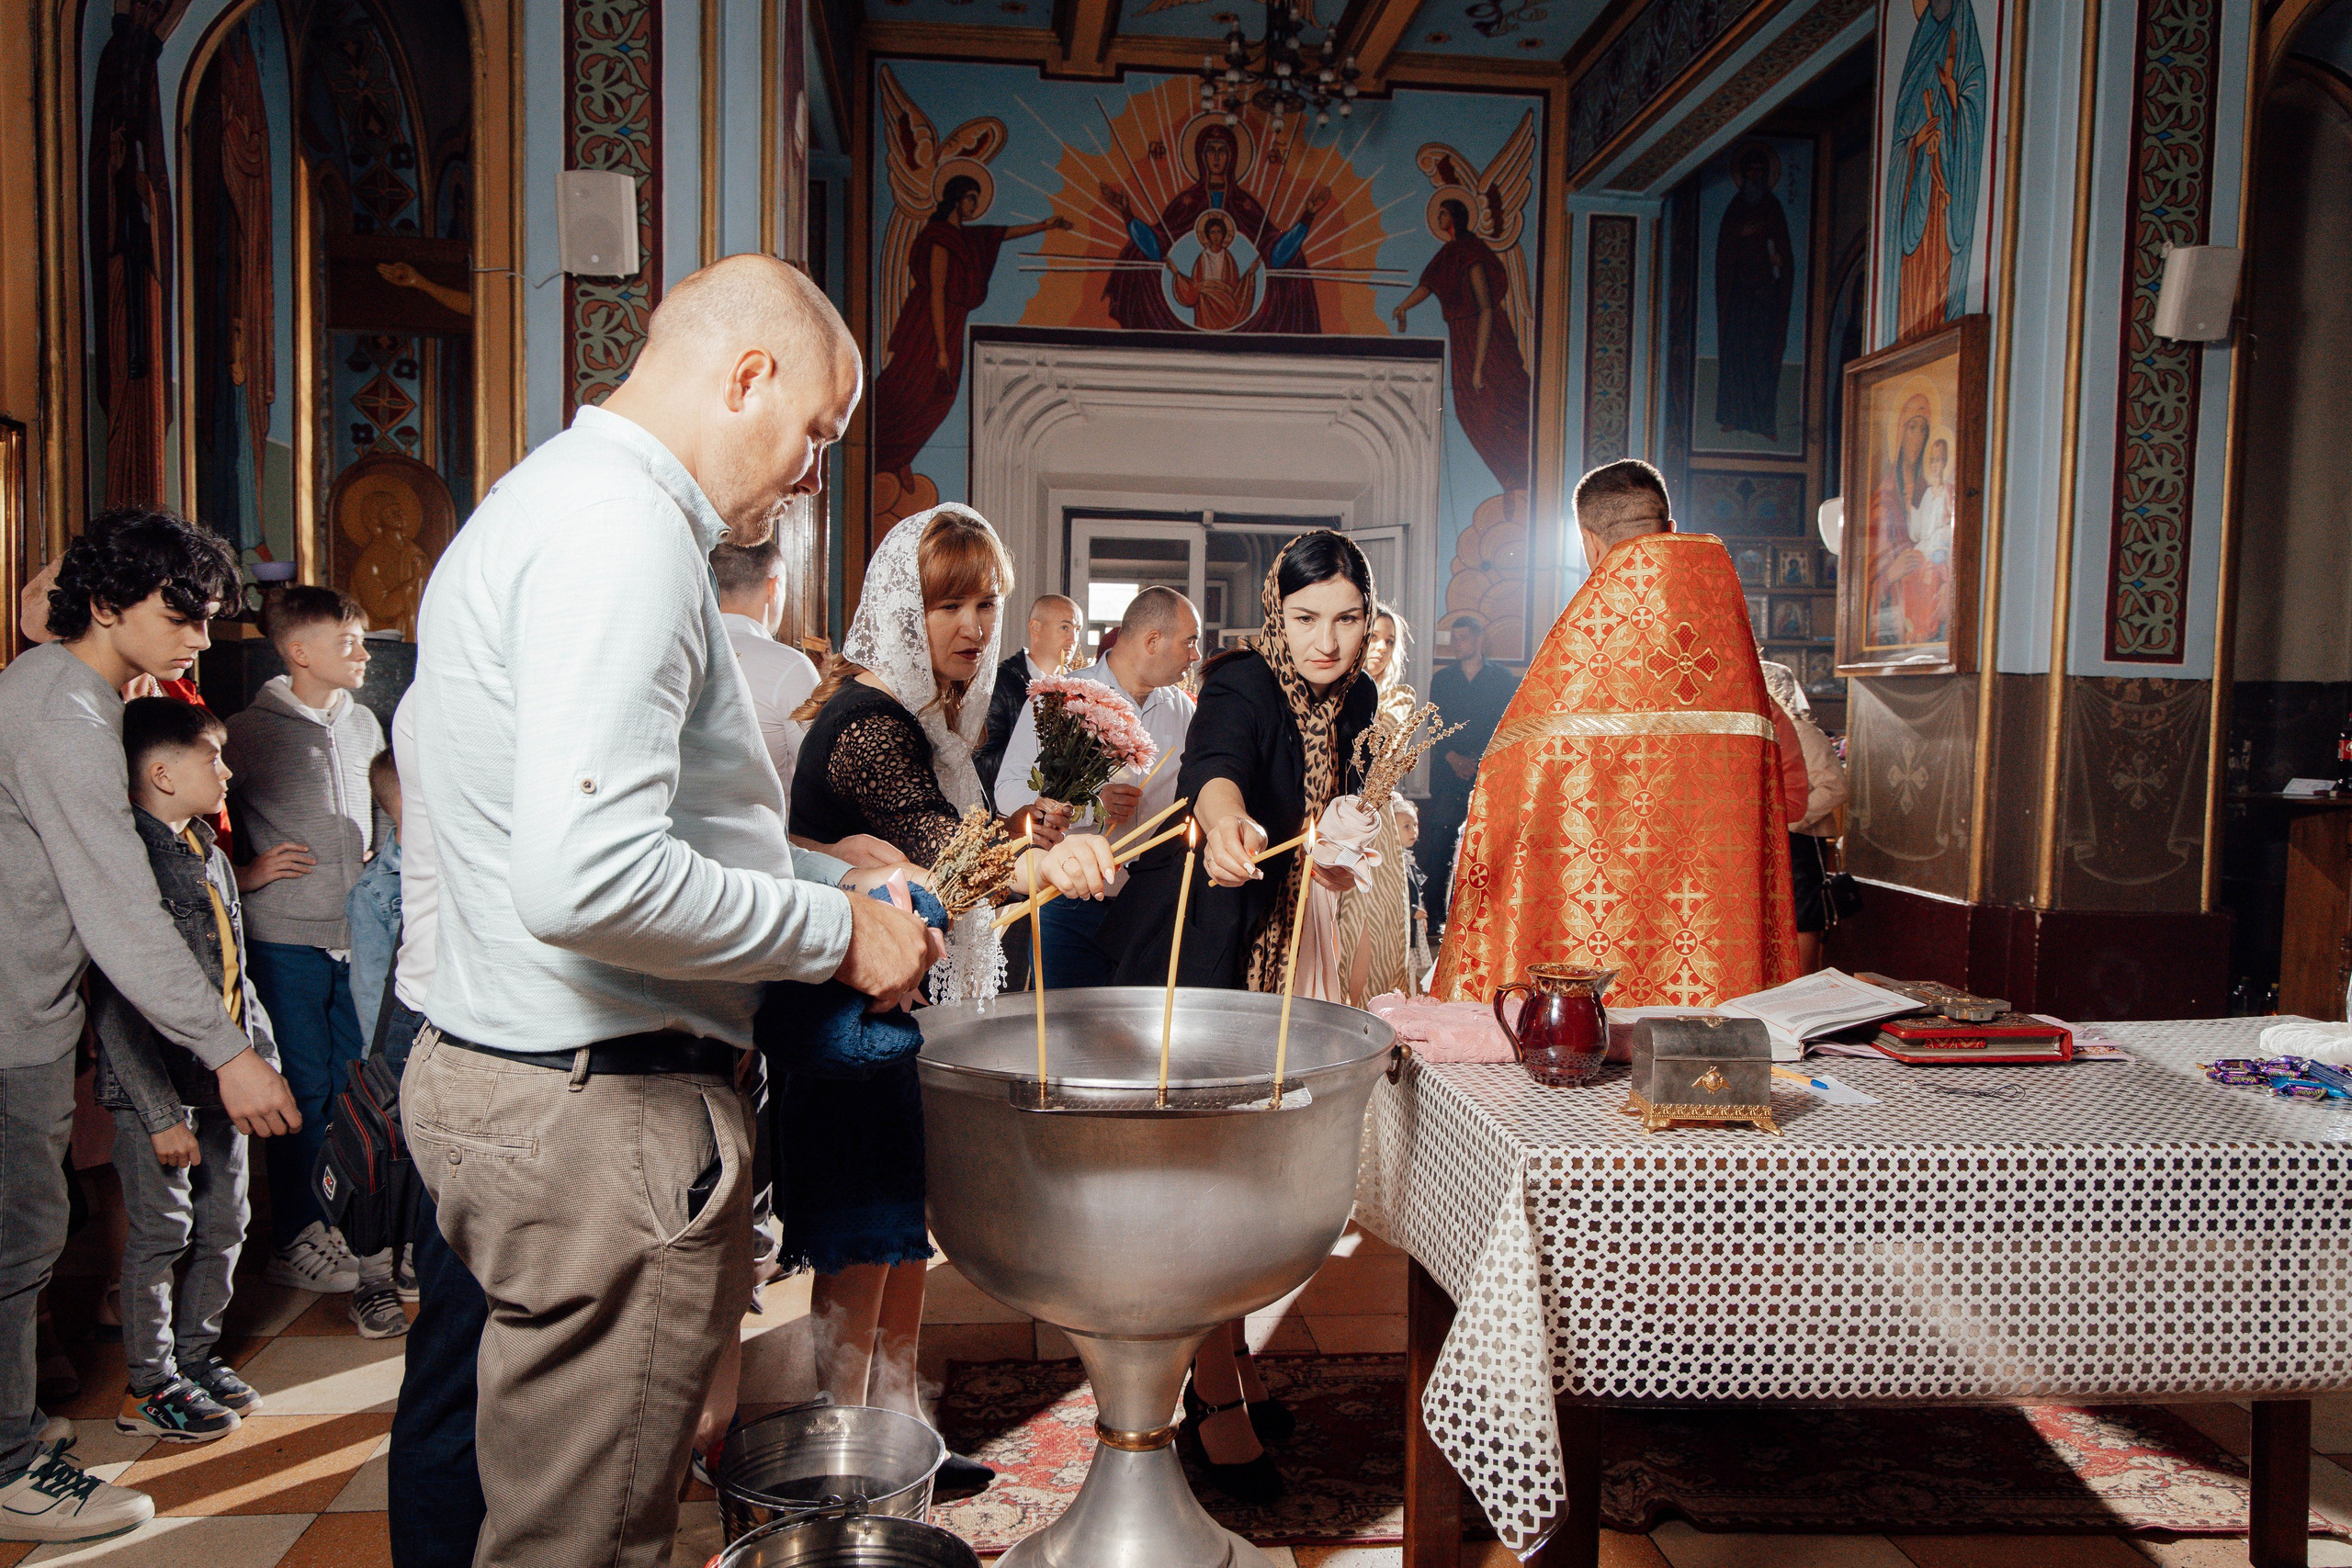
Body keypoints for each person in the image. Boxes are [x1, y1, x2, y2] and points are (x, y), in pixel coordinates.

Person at [401, 254, 943, 1567]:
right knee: (589, 1536)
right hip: (601, 1108)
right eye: (816, 430)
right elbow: (586, 875)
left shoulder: (554, 503)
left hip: (520, 1070)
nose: (816, 470)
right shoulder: (623, 533)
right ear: (745, 375)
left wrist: (832, 878)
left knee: (538, 1496)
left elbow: (640, 832)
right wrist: (838, 931)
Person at [786, 505, 1114, 1496]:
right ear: (901, 606)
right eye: (948, 604)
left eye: (986, 603)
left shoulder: (918, 723)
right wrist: (1041, 854)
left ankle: (901, 1440)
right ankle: (854, 1470)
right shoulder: (871, 726)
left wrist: (1020, 829)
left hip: (894, 1011)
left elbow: (954, 848)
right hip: (852, 1024)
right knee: (862, 1249)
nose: (974, 625)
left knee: (897, 1243)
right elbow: (946, 852)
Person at [0, 508, 298, 1544]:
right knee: (22, 1239)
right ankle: (10, 1467)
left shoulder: (61, 689)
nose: (201, 639)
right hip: (10, 1021)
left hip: (27, 1011)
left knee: (26, 1235)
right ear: (110, 603)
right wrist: (226, 1054)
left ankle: (16, 1440)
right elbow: (118, 907)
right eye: (184, 614)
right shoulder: (64, 721)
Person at [1102, 530, 1379, 1503]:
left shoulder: (1363, 701)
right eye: (1306, 619)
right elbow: (1214, 769)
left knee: (1258, 1168)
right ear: (1275, 615)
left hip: (1290, 944)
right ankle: (1210, 1393)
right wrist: (1224, 819)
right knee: (1206, 1169)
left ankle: (1231, 1368)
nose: (1326, 642)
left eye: (1346, 619)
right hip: (1204, 937)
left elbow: (1339, 811)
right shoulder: (1241, 683)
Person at [1432, 459, 1801, 1007]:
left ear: (1588, 539)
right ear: (1669, 530)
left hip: (1591, 948)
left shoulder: (1582, 649)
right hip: (1716, 951)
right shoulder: (1729, 645)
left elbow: (1512, 783)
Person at [96, 698, 278, 1446]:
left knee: (225, 1220)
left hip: (223, 1080)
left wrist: (260, 1058)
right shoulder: (127, 861)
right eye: (214, 757)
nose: (228, 771)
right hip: (158, 1091)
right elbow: (113, 1002)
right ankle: (151, 1382)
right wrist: (159, 1111)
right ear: (163, 772)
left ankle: (198, 1356)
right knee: (161, 1231)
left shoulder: (207, 848)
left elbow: (240, 970)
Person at [222, 585, 384, 1297]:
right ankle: (294, 1234)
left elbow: (386, 802)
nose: (363, 653)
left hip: (358, 935)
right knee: (302, 1087)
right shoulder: (246, 732)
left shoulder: (366, 723)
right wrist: (246, 871)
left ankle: (341, 1219)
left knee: (353, 1082)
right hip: (285, 937)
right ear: (299, 651)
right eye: (348, 641)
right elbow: (189, 826)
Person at [382, 691, 489, 1568]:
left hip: (467, 1023)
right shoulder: (462, 697)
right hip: (468, 1037)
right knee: (461, 1343)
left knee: (491, 1348)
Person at [994, 585, 1200, 987]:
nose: (1194, 655)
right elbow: (1010, 788)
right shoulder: (1061, 697)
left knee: (1137, 1036)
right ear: (1152, 641)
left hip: (1149, 905)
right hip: (1068, 898)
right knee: (1059, 1031)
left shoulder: (1185, 709)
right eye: (1189, 642)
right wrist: (1090, 805)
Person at [340, 747, 411, 1340]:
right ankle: (372, 1278)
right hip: (390, 1049)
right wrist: (376, 1063)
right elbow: (369, 981)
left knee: (425, 1164)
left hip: (445, 1044)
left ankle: (413, 1256)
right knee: (381, 1165)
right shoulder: (377, 890)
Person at [1419, 614, 1518, 942]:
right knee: (1441, 844)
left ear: (1477, 639)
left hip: (1489, 772)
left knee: (1487, 845)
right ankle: (1434, 919)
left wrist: (1482, 762)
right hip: (1448, 773)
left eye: (1462, 638)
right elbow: (1434, 724)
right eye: (1454, 638)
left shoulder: (1503, 679)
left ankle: (1485, 923)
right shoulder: (1443, 680)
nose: (1456, 644)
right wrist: (1452, 757)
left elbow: (1508, 725)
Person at [716, 533, 822, 791]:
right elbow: (821, 779)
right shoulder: (790, 667)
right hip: (766, 830)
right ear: (773, 586)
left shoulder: (679, 654)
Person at [1762, 660, 1848, 974]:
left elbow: (1834, 787)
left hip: (1799, 840)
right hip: (1772, 840)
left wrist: (1788, 821)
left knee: (1802, 918)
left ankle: (1801, 983)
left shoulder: (1800, 731)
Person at [976, 592, 1080, 802]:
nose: (1073, 639)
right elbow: (981, 762)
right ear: (1035, 628)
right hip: (1007, 810)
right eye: (1065, 627)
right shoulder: (1001, 681)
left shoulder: (1078, 686)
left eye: (1077, 630)